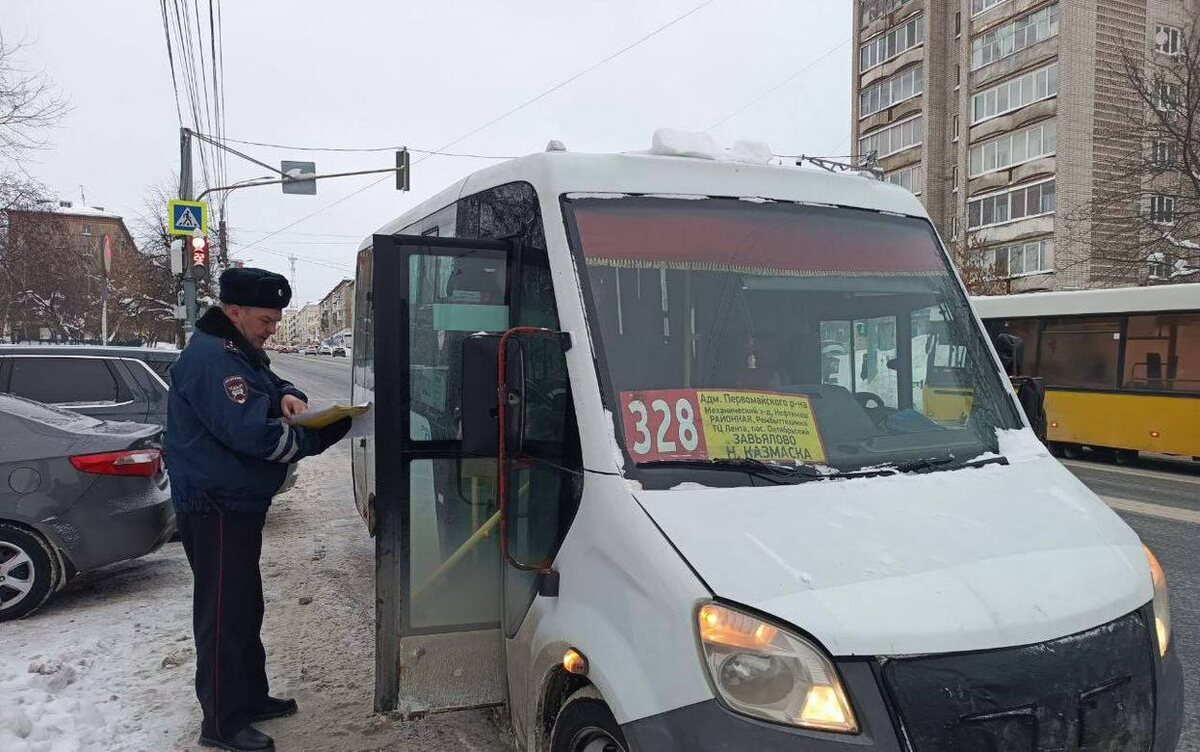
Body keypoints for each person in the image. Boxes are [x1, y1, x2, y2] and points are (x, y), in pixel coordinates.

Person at [166, 268, 352, 752]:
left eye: (276, 321)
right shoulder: (212, 359)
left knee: (244, 607)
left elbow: (268, 381)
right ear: (235, 311)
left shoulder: (235, 350)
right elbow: (254, 434)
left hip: (235, 502)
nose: (272, 329)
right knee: (224, 613)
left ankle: (249, 696)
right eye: (266, 320)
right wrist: (319, 435)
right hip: (216, 504)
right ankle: (222, 724)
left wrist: (290, 392)